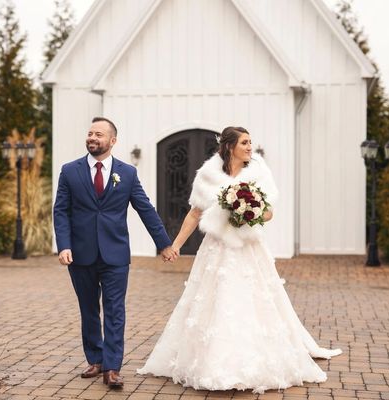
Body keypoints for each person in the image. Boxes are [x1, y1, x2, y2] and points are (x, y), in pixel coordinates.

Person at [137, 126, 342, 393]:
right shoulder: (208, 175)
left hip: (248, 249)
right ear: (229, 146)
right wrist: (174, 245)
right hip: (216, 251)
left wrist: (250, 211)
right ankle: (211, 363)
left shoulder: (258, 172)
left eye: (250, 142)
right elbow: (194, 214)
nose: (249, 147)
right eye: (244, 142)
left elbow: (269, 214)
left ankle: (249, 362)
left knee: (250, 300)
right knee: (216, 300)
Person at [53, 117, 178, 388]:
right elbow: (61, 210)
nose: (92, 138)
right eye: (90, 133)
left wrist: (164, 244)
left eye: (99, 134)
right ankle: (95, 360)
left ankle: (112, 367)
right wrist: (63, 245)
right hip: (80, 254)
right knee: (88, 309)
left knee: (114, 310)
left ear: (112, 141)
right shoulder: (69, 171)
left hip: (115, 255)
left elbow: (145, 209)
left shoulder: (128, 173)